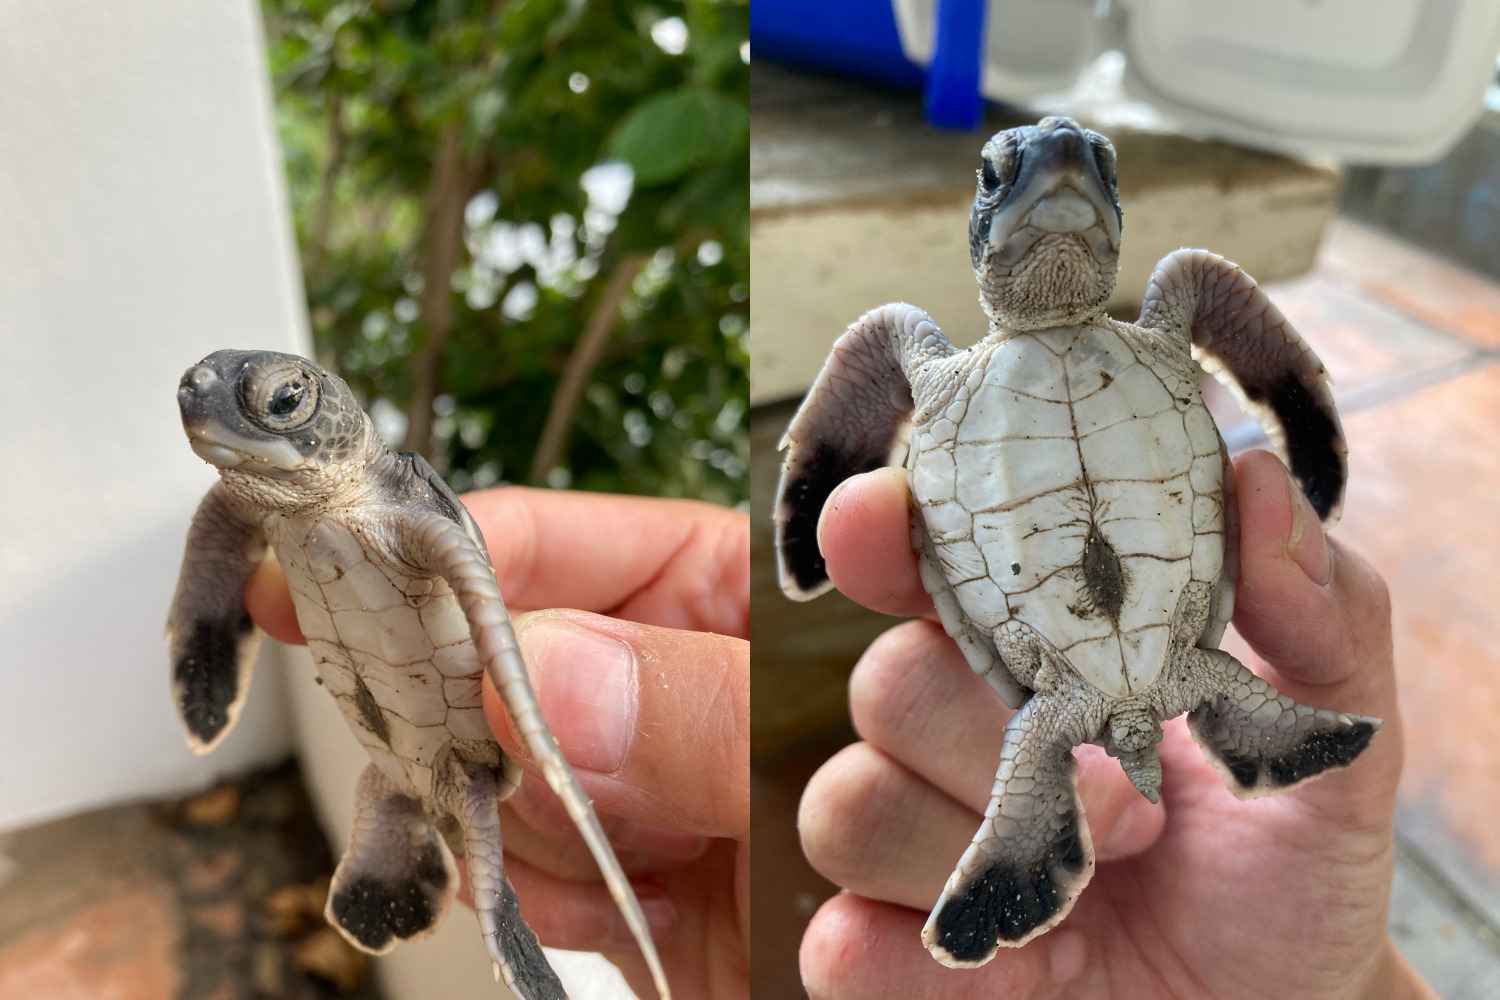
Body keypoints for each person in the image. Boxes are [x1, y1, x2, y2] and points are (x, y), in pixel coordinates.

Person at [796, 450, 1438, 1000]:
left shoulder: (931, 363)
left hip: (1093, 676)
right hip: (1168, 659)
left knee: (1030, 739)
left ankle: (1015, 872)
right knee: (1063, 725)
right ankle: (1275, 744)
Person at [244, 488, 749, 1000]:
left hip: (464, 766)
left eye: (284, 402)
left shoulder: (400, 509)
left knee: (491, 892)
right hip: (392, 759)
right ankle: (395, 865)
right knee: (434, 826)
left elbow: (461, 556)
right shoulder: (266, 501)